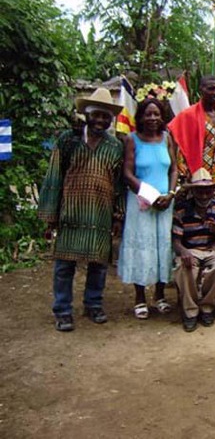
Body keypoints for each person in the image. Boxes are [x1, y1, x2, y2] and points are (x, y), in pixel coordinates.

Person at [38, 88, 125, 332]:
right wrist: (50, 217)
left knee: (98, 264)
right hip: (71, 212)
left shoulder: (115, 146)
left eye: (105, 117)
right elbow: (54, 177)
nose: (100, 120)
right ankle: (63, 310)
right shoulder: (68, 140)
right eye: (96, 115)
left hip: (101, 213)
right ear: (87, 114)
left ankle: (93, 304)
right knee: (64, 266)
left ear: (111, 119)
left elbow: (119, 184)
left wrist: (118, 215)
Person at [118, 97, 178, 320]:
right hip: (141, 203)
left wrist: (170, 194)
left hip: (165, 203)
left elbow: (174, 169)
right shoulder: (132, 140)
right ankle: (140, 297)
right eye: (148, 114)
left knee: (163, 246)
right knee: (142, 247)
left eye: (156, 114)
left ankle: (160, 296)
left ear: (162, 117)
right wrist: (150, 196)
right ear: (140, 117)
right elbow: (127, 173)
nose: (153, 118)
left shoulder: (166, 138)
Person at [172, 168, 215, 332]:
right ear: (193, 191)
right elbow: (176, 240)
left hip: (212, 250)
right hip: (189, 249)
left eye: (207, 191)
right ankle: (190, 311)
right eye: (200, 191)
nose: (204, 195)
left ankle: (207, 307)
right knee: (184, 266)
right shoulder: (182, 209)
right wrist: (183, 251)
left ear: (212, 191)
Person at [168, 75, 215, 183]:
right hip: (197, 172)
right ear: (201, 89)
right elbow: (177, 141)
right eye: (211, 89)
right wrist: (182, 167)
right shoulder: (188, 115)